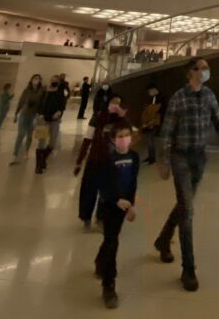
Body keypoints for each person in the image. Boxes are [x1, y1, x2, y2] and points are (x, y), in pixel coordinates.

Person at [154, 58, 219, 292]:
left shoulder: (209, 95)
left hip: (199, 158)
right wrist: (163, 161)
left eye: (206, 68)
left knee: (184, 205)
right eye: (201, 68)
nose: (205, 71)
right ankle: (188, 269)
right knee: (188, 211)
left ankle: (163, 239)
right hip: (180, 157)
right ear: (190, 73)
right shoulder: (179, 97)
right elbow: (167, 131)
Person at [94, 120, 140, 309]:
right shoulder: (106, 159)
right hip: (109, 206)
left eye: (126, 135)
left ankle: (100, 261)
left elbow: (133, 183)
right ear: (113, 139)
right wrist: (116, 200)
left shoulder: (134, 157)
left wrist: (130, 206)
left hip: (124, 206)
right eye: (120, 136)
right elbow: (103, 186)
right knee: (112, 241)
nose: (124, 139)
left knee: (111, 238)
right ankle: (109, 284)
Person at [76, 96, 126, 228]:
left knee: (108, 193)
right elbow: (87, 140)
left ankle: (101, 218)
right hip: (95, 160)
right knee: (89, 190)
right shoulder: (97, 119)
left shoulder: (120, 121)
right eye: (113, 103)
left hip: (111, 162)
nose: (115, 106)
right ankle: (86, 217)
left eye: (118, 103)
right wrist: (79, 161)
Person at [11, 74, 45, 164]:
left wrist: (40, 114)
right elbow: (21, 102)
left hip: (33, 115)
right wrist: (16, 113)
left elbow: (42, 103)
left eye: (38, 79)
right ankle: (15, 154)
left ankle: (26, 151)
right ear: (31, 80)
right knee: (20, 134)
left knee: (29, 135)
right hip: (24, 114)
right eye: (35, 78)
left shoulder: (41, 91)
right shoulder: (26, 91)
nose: (36, 80)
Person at [140, 82, 165, 164]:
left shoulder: (161, 98)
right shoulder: (152, 98)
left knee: (151, 140)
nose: (149, 93)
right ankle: (150, 157)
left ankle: (152, 159)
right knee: (149, 140)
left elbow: (161, 110)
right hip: (150, 121)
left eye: (149, 91)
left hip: (156, 121)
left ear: (154, 89)